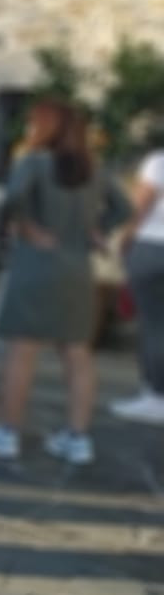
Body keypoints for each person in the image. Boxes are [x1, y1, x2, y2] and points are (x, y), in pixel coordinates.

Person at [0, 99, 130, 467]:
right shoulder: (98, 168)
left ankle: (8, 432)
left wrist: (27, 228)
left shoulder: (33, 162)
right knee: (78, 356)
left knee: (22, 352)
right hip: (78, 269)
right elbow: (125, 208)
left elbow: (11, 198)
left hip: (35, 267)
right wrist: (99, 231)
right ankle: (77, 438)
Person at [110, 143, 164, 423]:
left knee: (154, 323)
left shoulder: (158, 161)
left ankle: (156, 394)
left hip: (154, 245)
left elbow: (139, 206)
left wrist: (126, 237)